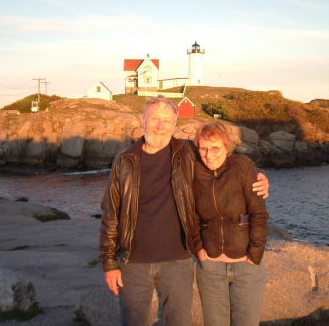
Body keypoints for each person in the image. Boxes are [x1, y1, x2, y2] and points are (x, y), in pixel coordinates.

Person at [99, 96, 269, 326]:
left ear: (175, 125)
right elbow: (110, 214)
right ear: (143, 120)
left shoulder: (187, 153)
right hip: (133, 262)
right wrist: (109, 263)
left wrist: (258, 179)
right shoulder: (125, 161)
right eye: (155, 119)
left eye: (167, 121)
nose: (160, 126)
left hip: (177, 261)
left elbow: (224, 163)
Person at [193, 122, 268, 326]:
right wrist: (199, 248)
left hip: (246, 265)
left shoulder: (242, 165)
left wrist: (255, 254)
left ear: (227, 148)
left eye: (215, 148)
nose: (209, 154)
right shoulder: (194, 171)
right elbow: (190, 215)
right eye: (203, 148)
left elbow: (259, 214)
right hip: (210, 267)